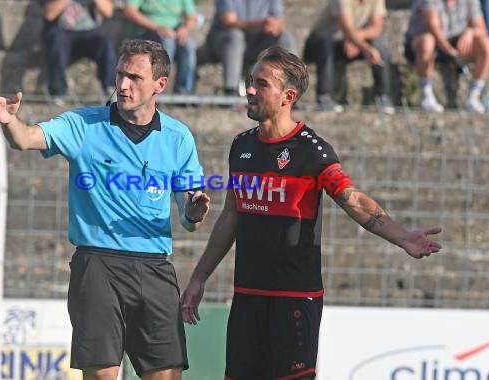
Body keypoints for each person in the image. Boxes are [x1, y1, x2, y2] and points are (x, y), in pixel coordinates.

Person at [181, 46, 442, 380]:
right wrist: (200, 276)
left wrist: (403, 236)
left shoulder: (311, 150)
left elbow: (353, 200)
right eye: (250, 81)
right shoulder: (242, 146)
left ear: (288, 96)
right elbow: (232, 214)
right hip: (247, 296)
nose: (249, 89)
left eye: (261, 84)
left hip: (293, 298)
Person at [0, 39, 210, 380]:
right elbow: (27, 138)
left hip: (155, 269)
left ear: (159, 85)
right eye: (120, 74)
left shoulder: (179, 138)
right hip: (98, 265)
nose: (122, 84)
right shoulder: (83, 125)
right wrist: (9, 122)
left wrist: (194, 210)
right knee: (103, 375)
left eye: (134, 77)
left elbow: (188, 217)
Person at [303, 0, 395, 114]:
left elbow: (376, 28)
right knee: (325, 44)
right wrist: (363, 47)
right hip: (319, 43)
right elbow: (346, 27)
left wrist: (357, 41)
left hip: (348, 42)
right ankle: (324, 96)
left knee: (379, 49)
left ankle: (382, 96)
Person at [404, 0, 489, 113]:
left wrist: (471, 32)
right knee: (427, 42)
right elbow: (433, 27)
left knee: (487, 44)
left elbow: (481, 28)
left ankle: (474, 96)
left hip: (455, 41)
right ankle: (426, 95)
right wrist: (451, 52)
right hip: (423, 41)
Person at [198, 0, 296, 96]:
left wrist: (275, 27)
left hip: (258, 40)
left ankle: (289, 88)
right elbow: (229, 21)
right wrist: (261, 23)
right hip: (224, 40)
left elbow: (280, 21)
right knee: (235, 36)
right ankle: (231, 90)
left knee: (286, 39)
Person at [40, 0, 118, 103]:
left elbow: (108, 12)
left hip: (89, 33)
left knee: (106, 43)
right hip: (62, 32)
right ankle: (57, 93)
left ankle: (110, 89)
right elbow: (49, 14)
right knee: (56, 42)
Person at [123, 0, 198, 94]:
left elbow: (192, 17)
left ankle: (184, 92)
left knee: (189, 46)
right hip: (147, 32)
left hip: (174, 33)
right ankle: (158, 91)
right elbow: (130, 11)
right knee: (166, 45)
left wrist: (185, 29)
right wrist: (157, 27)